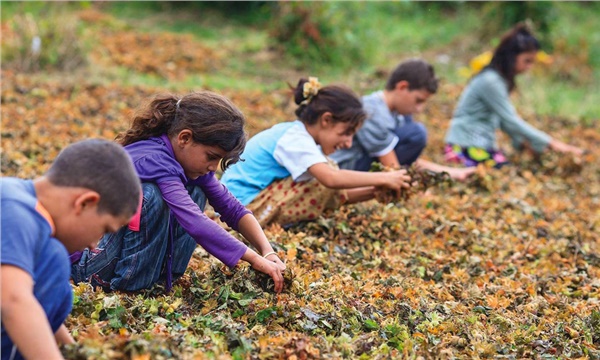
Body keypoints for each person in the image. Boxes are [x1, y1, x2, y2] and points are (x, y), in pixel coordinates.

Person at [70, 91, 286, 294]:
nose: (213, 167)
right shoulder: (154, 160)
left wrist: (267, 251)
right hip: (89, 265)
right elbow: (196, 222)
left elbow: (232, 209)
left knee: (197, 190)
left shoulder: (187, 163)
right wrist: (254, 259)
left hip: (113, 257)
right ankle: (130, 287)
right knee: (151, 196)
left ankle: (163, 277)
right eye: (211, 156)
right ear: (184, 138)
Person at [1, 139, 141, 360]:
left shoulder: (21, 203)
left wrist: (75, 353)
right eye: (104, 229)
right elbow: (14, 302)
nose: (95, 244)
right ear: (85, 203)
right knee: (54, 260)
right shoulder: (15, 211)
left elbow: (38, 309)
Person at [221, 77, 412, 227]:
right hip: (238, 209)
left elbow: (335, 189)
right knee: (323, 179)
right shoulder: (295, 139)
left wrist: (375, 191)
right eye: (346, 133)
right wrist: (384, 178)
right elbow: (331, 180)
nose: (348, 143)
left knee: (325, 173)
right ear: (326, 120)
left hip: (244, 203)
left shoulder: (299, 136)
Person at [444, 23, 583, 168]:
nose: (529, 67)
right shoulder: (490, 81)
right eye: (527, 61)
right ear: (511, 56)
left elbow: (504, 122)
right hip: (465, 145)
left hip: (479, 144)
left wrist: (524, 143)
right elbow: (511, 120)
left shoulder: (498, 80)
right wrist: (553, 143)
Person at [329, 59, 475, 181]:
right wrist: (407, 185)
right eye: (418, 100)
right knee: (416, 133)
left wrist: (452, 173)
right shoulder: (372, 111)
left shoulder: (397, 114)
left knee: (412, 130)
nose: (419, 109)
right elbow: (391, 165)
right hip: (345, 168)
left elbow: (405, 160)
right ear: (402, 87)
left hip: (365, 164)